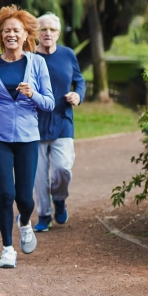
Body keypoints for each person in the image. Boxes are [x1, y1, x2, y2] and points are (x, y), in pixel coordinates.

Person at [0, 5, 54, 269]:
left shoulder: (37, 63)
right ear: (1, 34)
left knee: (25, 198)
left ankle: (24, 221)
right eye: (6, 30)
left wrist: (32, 94)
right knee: (5, 193)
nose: (11, 34)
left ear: (25, 35)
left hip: (27, 137)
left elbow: (50, 103)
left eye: (16, 30)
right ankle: (7, 248)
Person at [33, 13, 85, 232]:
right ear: (36, 33)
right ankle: (44, 215)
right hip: (34, 123)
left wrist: (77, 95)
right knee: (39, 175)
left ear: (58, 33)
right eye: (43, 29)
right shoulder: (28, 56)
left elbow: (79, 80)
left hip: (62, 120)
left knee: (63, 169)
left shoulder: (67, 54)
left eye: (52, 30)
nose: (47, 33)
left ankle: (60, 199)